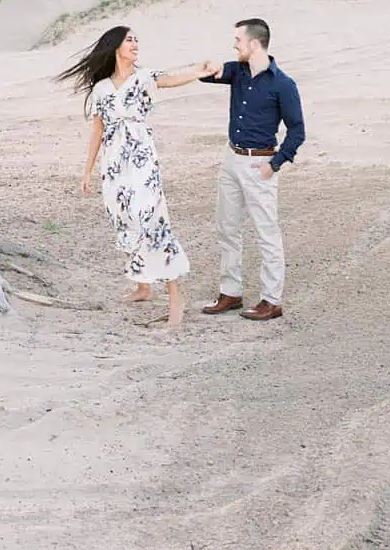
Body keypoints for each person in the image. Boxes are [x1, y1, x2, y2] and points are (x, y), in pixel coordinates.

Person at [59, 25, 211, 326]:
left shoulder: (144, 77)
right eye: (129, 40)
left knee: (151, 218)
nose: (135, 43)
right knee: (125, 217)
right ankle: (143, 287)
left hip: (142, 158)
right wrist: (87, 171)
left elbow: (170, 80)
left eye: (136, 39)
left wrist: (198, 71)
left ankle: (175, 298)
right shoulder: (101, 88)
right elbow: (98, 131)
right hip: (114, 164)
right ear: (116, 46)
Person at [198, 18, 305, 322]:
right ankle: (230, 292)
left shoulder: (283, 84)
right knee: (226, 227)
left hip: (260, 164)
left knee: (266, 233)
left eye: (238, 41)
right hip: (231, 159)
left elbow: (297, 131)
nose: (235, 45)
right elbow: (210, 76)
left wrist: (275, 164)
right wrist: (210, 66)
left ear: (254, 44)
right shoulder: (237, 71)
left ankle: (272, 300)